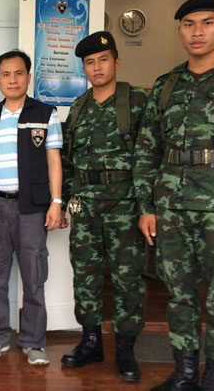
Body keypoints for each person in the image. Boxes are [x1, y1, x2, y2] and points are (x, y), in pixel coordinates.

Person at [133, 0, 214, 391]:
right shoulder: (165, 85)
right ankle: (186, 372)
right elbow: (147, 150)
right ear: (180, 31)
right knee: (179, 293)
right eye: (189, 25)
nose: (197, 32)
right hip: (172, 206)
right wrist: (146, 206)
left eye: (207, 23)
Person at [60, 31, 149, 382]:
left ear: (116, 61)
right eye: (89, 62)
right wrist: (66, 201)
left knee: (128, 279)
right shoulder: (78, 108)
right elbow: (68, 160)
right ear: (84, 68)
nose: (96, 67)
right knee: (85, 277)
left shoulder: (138, 101)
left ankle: (126, 348)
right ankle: (91, 341)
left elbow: (149, 156)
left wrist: (147, 206)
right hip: (86, 206)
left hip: (125, 204)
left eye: (103, 60)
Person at [0, 50, 63, 364]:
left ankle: (34, 341)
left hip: (33, 208)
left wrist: (56, 202)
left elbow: (53, 161)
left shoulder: (45, 113)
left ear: (28, 76)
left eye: (18, 73)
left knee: (34, 277)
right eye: (6, 74)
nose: (12, 79)